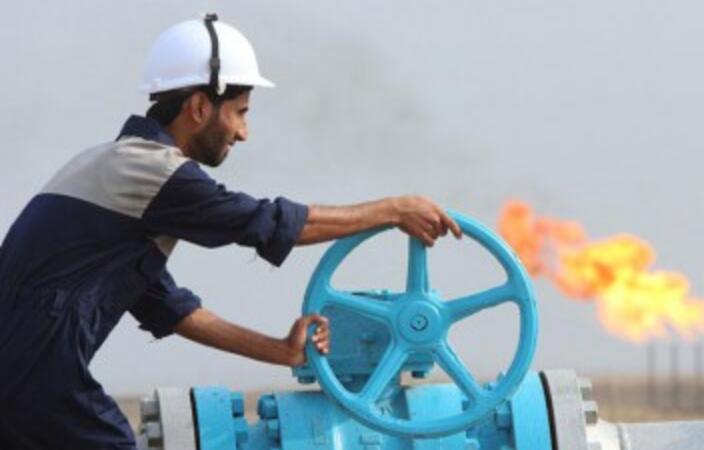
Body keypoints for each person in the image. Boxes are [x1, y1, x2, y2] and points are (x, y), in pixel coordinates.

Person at [0, 14, 461, 450]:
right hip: (37, 375)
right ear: (200, 107)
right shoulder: (155, 172)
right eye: (240, 112)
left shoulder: (115, 170)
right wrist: (392, 210)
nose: (243, 132)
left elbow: (171, 309)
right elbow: (266, 223)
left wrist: (280, 351)